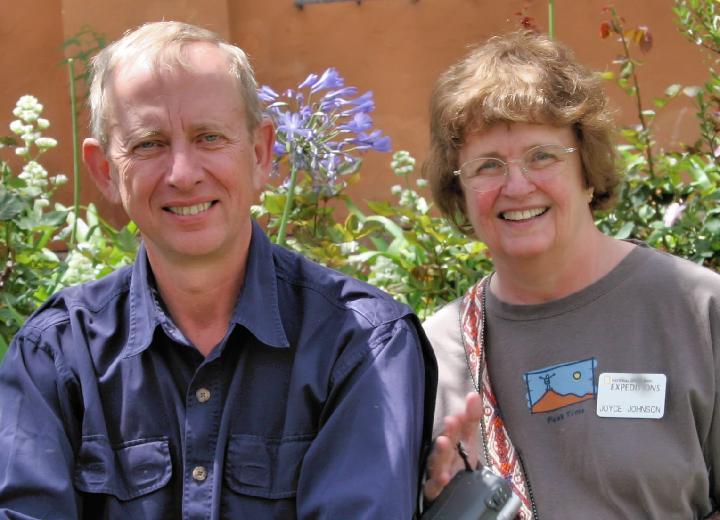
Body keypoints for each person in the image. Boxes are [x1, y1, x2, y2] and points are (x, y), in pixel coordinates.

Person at [0, 21, 437, 519]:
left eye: (209, 137)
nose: (183, 174)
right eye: (148, 144)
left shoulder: (360, 344)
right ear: (104, 170)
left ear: (261, 153)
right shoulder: (55, 355)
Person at [420, 30, 720, 519]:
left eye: (542, 156)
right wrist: (439, 506)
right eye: (487, 166)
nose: (517, 185)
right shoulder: (437, 353)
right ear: (460, 191)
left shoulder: (698, 310)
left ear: (587, 169)